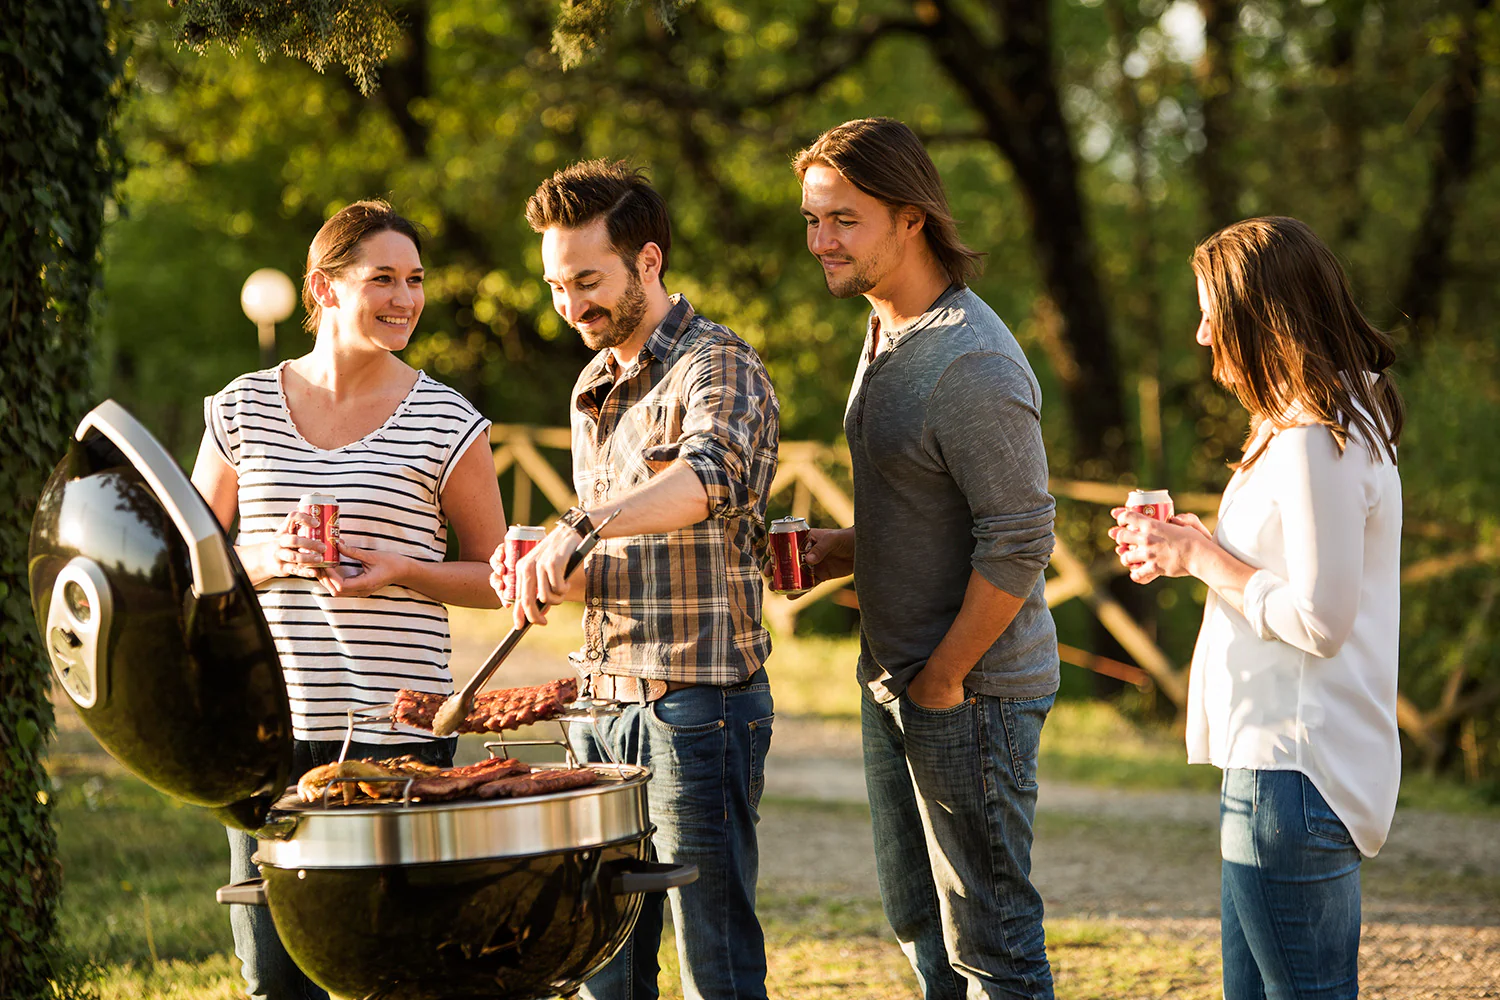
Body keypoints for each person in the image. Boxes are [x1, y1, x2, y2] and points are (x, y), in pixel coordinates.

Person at [191, 199, 507, 1000]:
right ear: (323, 290)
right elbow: (187, 561)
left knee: (392, 974)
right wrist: (263, 555)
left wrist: (403, 569)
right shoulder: (241, 408)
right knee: (273, 974)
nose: (405, 299)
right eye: (382, 280)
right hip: (267, 732)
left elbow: (497, 576)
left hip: (396, 737)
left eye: (415, 280)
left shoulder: (448, 421)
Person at [496, 159, 780, 1000]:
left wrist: (579, 526)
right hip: (599, 707)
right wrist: (546, 562)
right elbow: (629, 554)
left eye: (588, 280)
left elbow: (704, 481)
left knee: (715, 964)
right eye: (555, 285)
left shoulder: (716, 366)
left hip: (698, 705)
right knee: (602, 967)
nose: (570, 305)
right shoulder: (592, 385)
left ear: (647, 261)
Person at [794, 118, 1059, 999]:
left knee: (994, 946)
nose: (821, 241)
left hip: (970, 691)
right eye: (812, 220)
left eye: (843, 219)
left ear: (911, 219)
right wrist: (841, 553)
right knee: (922, 929)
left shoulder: (970, 356)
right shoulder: (884, 332)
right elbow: (935, 511)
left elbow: (1021, 537)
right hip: (898, 676)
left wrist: (943, 680)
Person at [1109, 216, 1403, 999]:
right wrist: (1193, 545)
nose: (1202, 333)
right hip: (1274, 766)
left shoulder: (1316, 436)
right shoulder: (1305, 425)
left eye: (1213, 311)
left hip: (1294, 772)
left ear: (1261, 316)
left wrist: (1202, 558)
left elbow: (1321, 620)